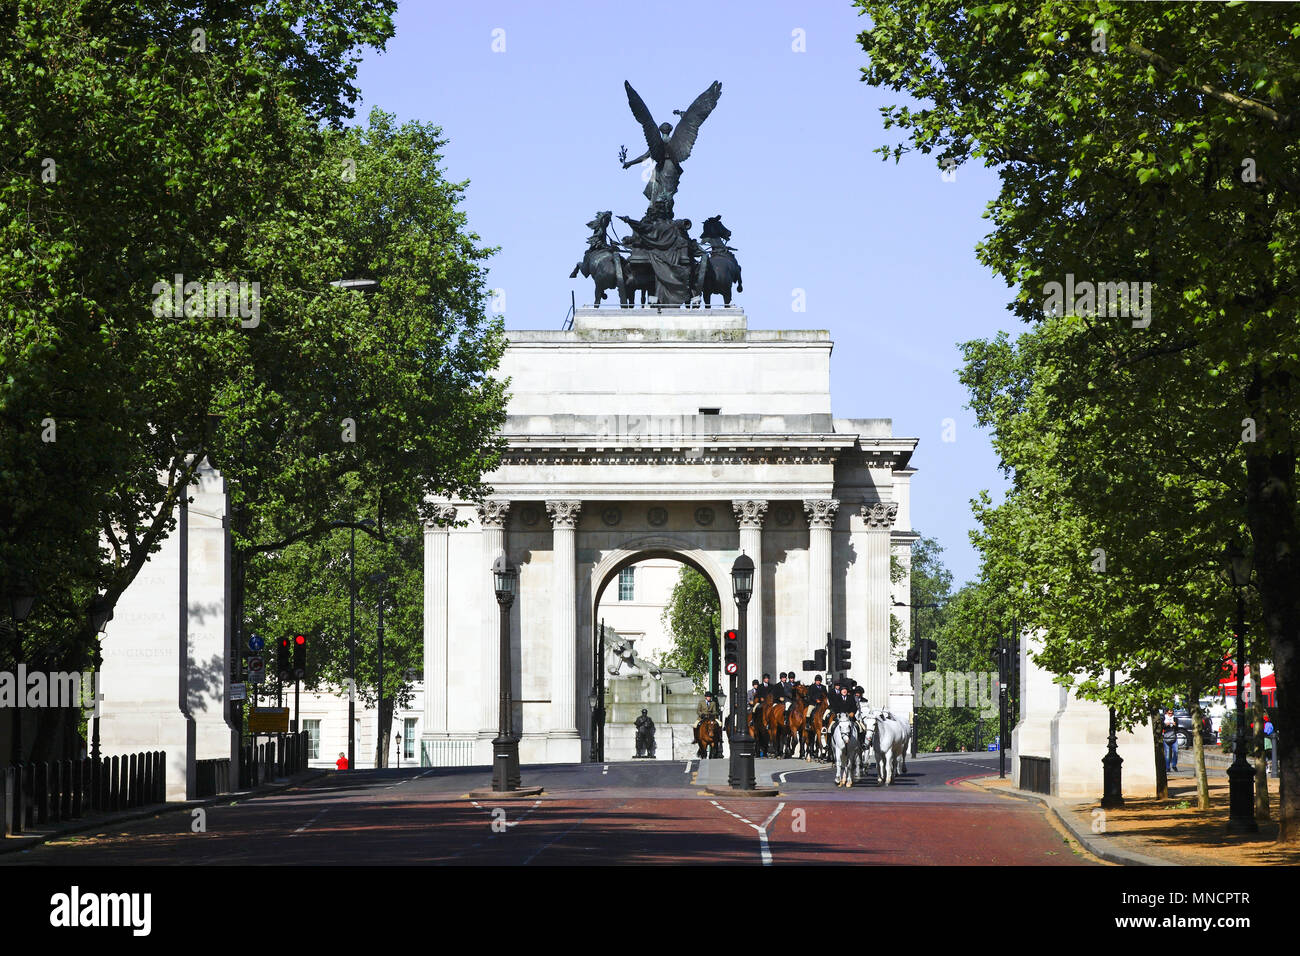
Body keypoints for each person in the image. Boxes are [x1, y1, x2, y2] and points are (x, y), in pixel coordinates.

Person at [1162, 708, 1179, 772]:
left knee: (1176, 751)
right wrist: (1165, 725)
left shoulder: (1175, 719)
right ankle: (1167, 767)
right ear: (1166, 713)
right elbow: (1161, 726)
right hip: (1166, 737)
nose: (1170, 715)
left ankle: (1174, 765)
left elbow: (1177, 729)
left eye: (1172, 713)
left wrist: (1175, 725)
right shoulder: (1163, 719)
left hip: (1173, 737)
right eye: (1169, 713)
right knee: (1167, 753)